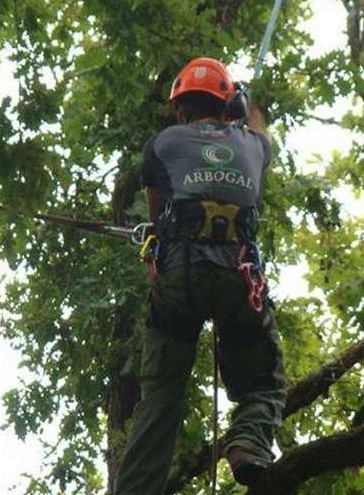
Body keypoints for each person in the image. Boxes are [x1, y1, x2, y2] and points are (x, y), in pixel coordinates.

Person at [113, 57, 287, 494]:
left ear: (179, 109)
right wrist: (247, 106)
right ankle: (248, 442)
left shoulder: (163, 143)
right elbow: (262, 131)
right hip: (237, 279)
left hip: (179, 280)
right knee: (263, 382)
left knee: (160, 399)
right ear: (229, 104)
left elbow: (158, 219)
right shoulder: (254, 145)